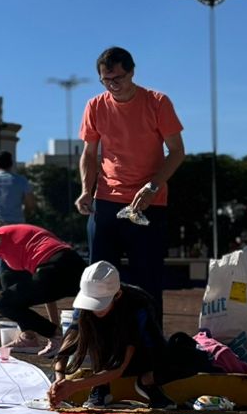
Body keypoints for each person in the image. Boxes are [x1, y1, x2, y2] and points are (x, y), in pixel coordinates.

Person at [76, 47, 185, 316]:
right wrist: (86, 190)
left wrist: (153, 186)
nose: (113, 85)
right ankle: (100, 337)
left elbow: (177, 151)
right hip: (106, 201)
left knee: (146, 280)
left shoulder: (157, 102)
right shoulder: (95, 105)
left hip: (148, 203)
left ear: (132, 72)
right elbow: (89, 154)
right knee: (97, 279)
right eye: (106, 80)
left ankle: (147, 337)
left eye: (118, 78)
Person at [48, 260, 203, 411]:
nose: (95, 309)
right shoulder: (85, 309)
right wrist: (59, 381)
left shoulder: (136, 305)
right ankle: (101, 386)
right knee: (91, 328)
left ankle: (147, 382)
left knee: (195, 357)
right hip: (104, 358)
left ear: (117, 295)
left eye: (100, 304)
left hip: (141, 357)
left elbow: (119, 367)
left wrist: (74, 386)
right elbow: (67, 344)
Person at [0, 223, 85, 357]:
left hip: (55, 267)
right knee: (12, 286)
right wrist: (54, 329)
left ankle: (51, 337)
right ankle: (31, 338)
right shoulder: (18, 242)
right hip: (73, 265)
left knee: (3, 303)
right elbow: (47, 293)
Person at [0, 151, 34, 227]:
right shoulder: (22, 180)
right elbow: (30, 204)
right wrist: (23, 214)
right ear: (11, 164)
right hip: (17, 222)